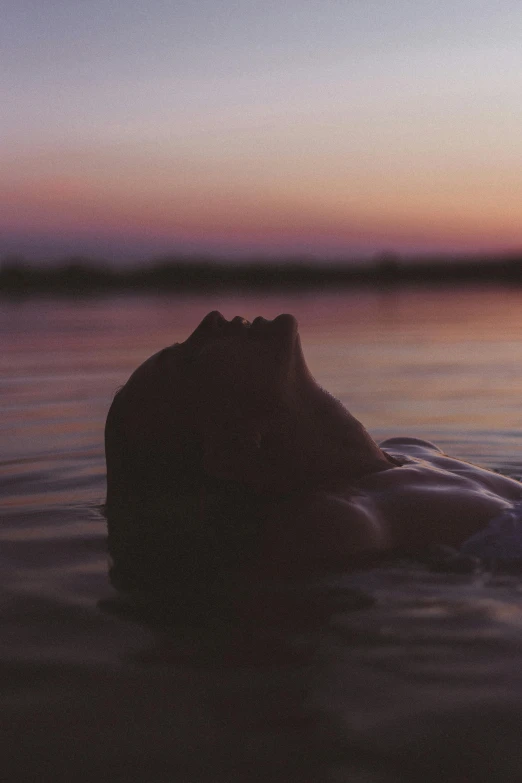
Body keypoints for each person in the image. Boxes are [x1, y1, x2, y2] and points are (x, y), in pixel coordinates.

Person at [104, 311, 522, 596]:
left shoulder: (412, 450)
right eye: (191, 360)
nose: (209, 320)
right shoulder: (333, 524)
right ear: (233, 446)